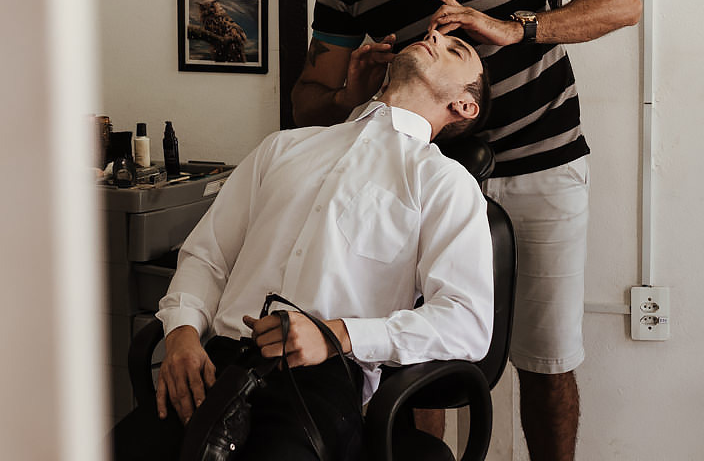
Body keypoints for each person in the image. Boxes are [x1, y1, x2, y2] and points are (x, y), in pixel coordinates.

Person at [293, 0, 642, 461]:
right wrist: (348, 96)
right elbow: (307, 104)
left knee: (547, 359)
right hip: (425, 181)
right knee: (416, 359)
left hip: (544, 165)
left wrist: (518, 29)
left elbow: (622, 1)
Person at [112, 30, 494, 461]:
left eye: (455, 49)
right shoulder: (283, 146)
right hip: (214, 363)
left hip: (318, 379)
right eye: (435, 35)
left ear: (464, 105)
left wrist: (337, 335)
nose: (435, 34)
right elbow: (208, 255)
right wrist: (181, 332)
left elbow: (467, 320)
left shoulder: (444, 183)